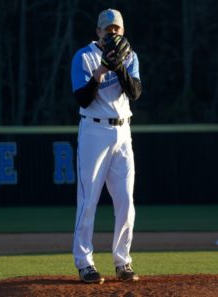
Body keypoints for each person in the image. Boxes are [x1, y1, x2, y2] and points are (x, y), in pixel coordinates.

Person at [71, 8, 141, 284]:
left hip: (123, 131)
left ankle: (123, 262)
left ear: (122, 31)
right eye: (107, 29)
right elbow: (83, 99)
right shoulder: (84, 56)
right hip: (94, 129)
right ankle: (84, 263)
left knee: (126, 202)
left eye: (117, 29)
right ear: (98, 31)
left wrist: (119, 66)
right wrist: (102, 69)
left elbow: (134, 93)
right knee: (88, 200)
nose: (113, 33)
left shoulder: (131, 56)